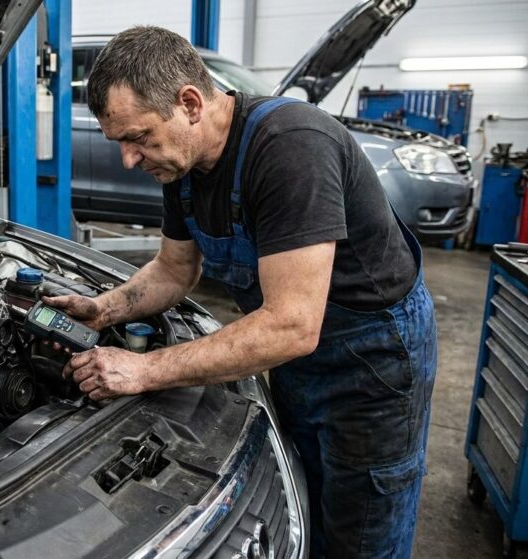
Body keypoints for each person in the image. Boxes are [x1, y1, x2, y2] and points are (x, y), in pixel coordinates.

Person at [43, 26, 437, 559]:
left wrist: (142, 369)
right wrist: (101, 309)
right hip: (298, 360)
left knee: (361, 529)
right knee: (303, 500)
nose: (129, 161)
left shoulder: (290, 149)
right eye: (121, 143)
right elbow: (173, 270)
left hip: (373, 364)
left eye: (137, 138)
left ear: (189, 103)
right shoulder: (182, 166)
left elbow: (292, 324)